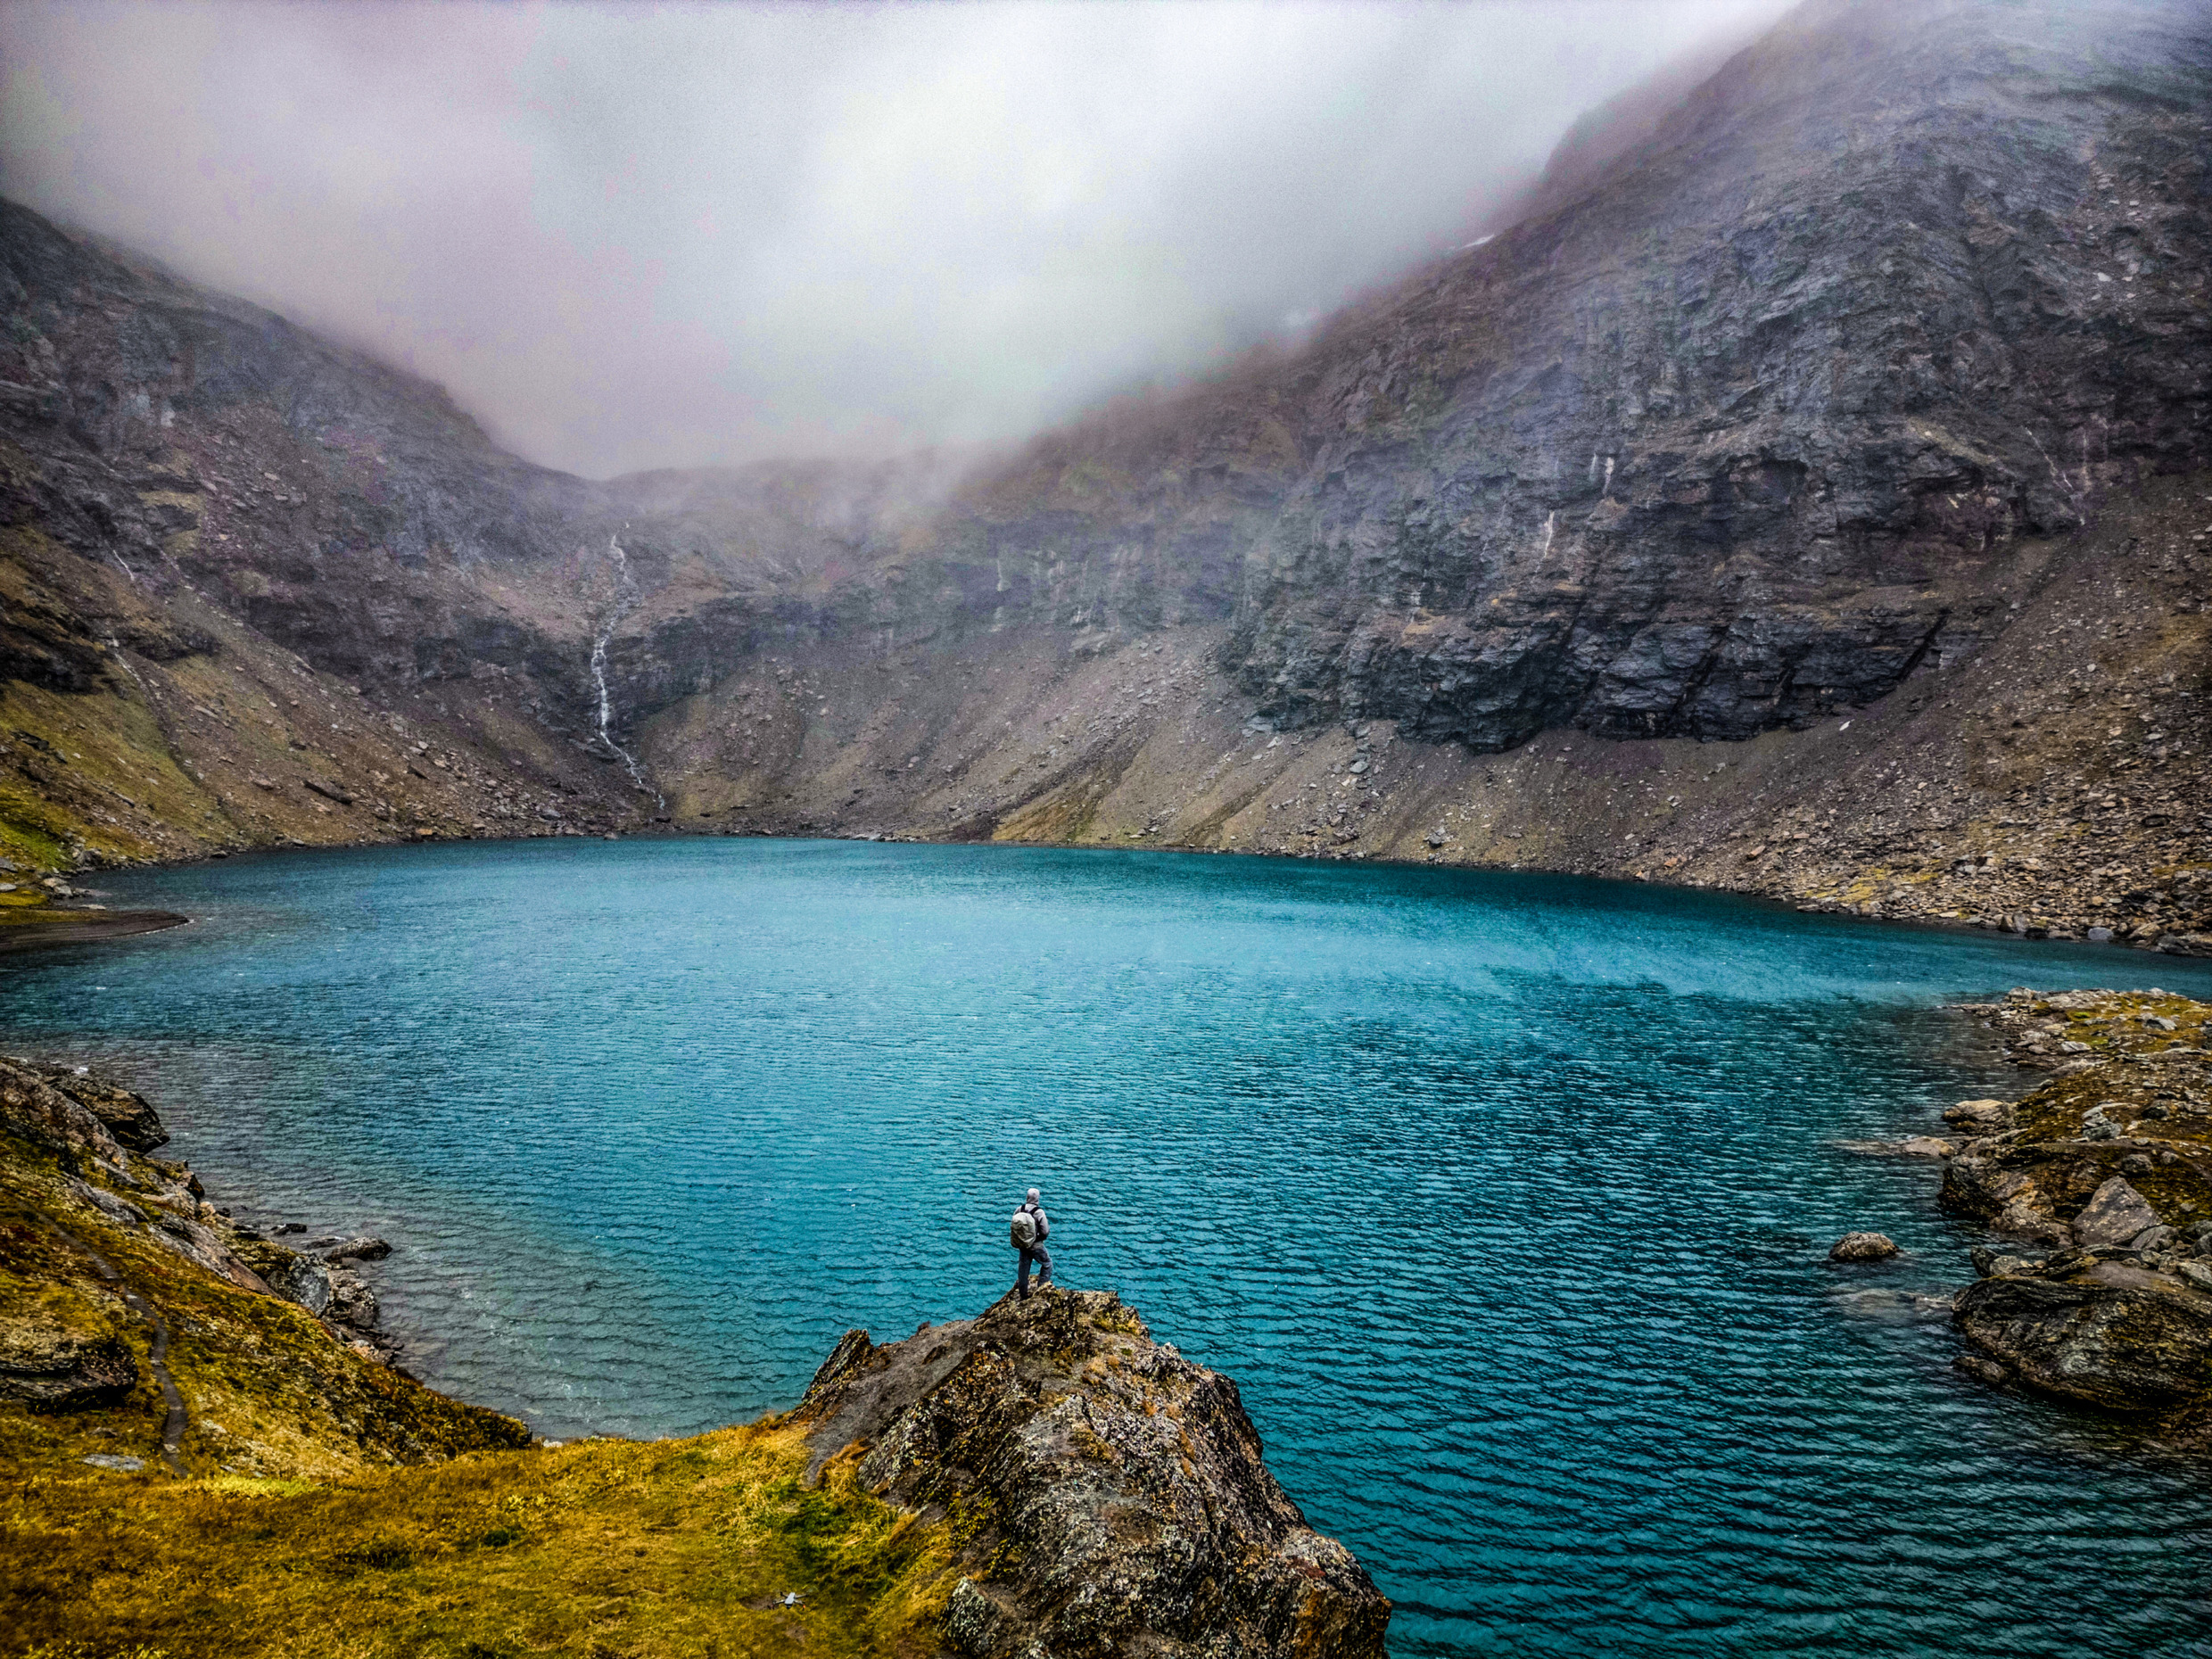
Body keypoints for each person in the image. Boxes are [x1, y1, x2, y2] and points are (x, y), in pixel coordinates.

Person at [1011, 1185, 1052, 1299]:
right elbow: (1045, 1231)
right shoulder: (1039, 1212)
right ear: (1037, 1199)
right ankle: (1041, 1290)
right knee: (1047, 1264)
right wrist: (1037, 1238)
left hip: (1023, 1244)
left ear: (1027, 1197)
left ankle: (1023, 1294)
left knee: (1023, 1269)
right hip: (1036, 1245)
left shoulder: (1019, 1209)